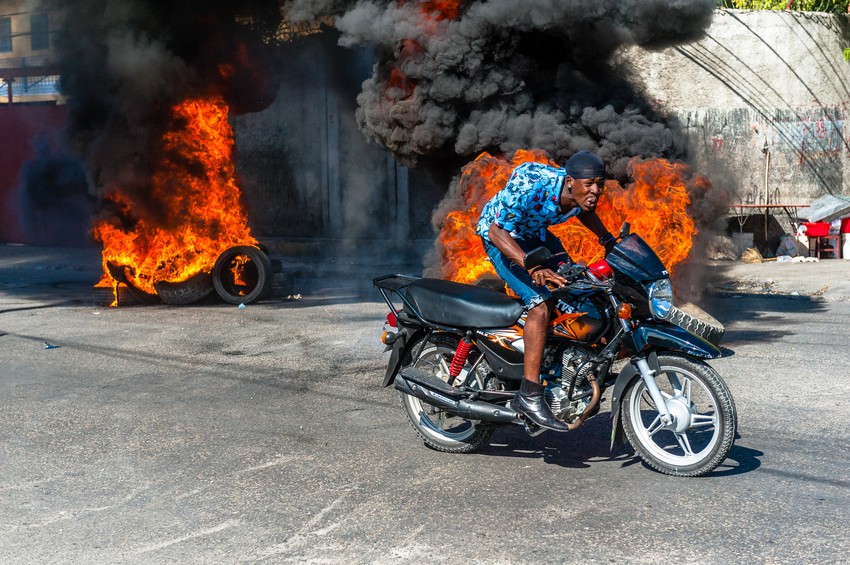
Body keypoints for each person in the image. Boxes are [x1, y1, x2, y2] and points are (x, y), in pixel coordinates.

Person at [475, 150, 615, 431]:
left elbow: (584, 212)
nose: (595, 191)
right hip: (503, 239)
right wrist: (529, 265)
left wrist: (608, 240)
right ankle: (529, 393)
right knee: (540, 302)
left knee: (577, 284)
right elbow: (496, 232)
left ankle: (560, 359)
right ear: (570, 182)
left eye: (600, 184)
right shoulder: (531, 185)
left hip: (535, 234)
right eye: (589, 184)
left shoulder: (578, 196)